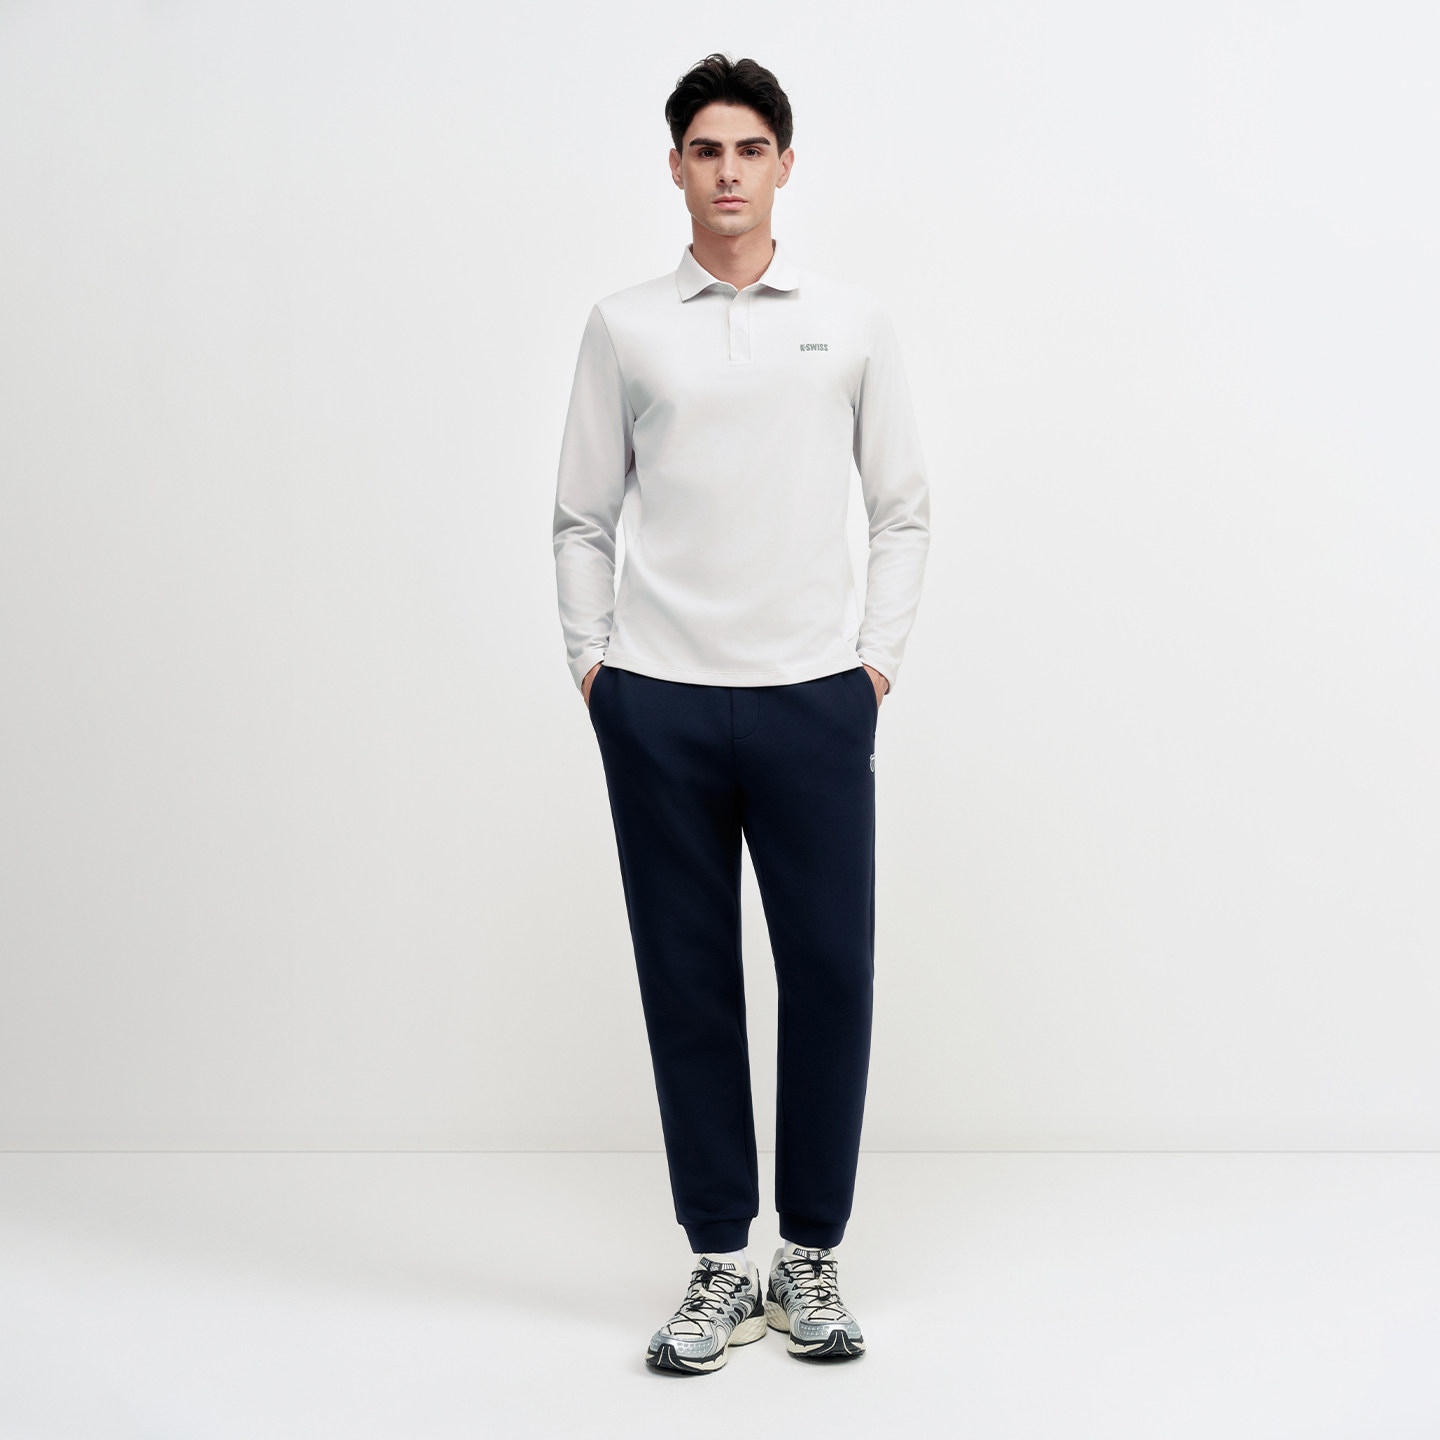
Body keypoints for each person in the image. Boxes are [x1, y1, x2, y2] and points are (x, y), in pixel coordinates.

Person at [552, 52, 930, 1374]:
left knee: (829, 975)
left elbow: (903, 508)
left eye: (750, 148)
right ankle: (718, 1259)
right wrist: (597, 669)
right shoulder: (625, 326)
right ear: (675, 167)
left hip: (812, 701)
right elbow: (581, 515)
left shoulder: (851, 320)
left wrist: (872, 665)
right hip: (658, 701)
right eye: (705, 149)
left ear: (784, 164)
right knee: (689, 980)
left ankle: (808, 1254)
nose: (728, 171)